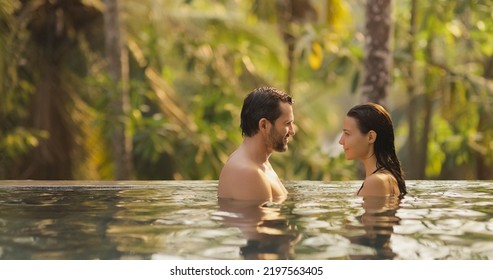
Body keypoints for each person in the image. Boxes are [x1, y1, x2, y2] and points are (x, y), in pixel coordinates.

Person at [218, 87, 295, 201]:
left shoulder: (260, 163)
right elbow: (264, 218)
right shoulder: (249, 173)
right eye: (287, 123)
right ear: (264, 125)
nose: (292, 131)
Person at [338, 103, 406, 197]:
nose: (341, 141)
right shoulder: (385, 177)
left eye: (347, 133)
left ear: (370, 137)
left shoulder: (375, 182)